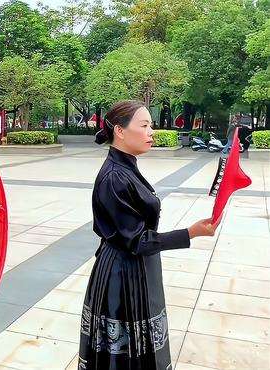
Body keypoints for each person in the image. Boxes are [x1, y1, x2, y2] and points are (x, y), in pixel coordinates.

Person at [79, 100, 216, 370]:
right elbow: (136, 240)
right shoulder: (115, 177)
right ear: (120, 131)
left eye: (150, 125)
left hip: (136, 266)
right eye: (144, 125)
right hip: (123, 273)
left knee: (141, 349)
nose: (151, 131)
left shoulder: (127, 168)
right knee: (124, 356)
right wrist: (190, 233)